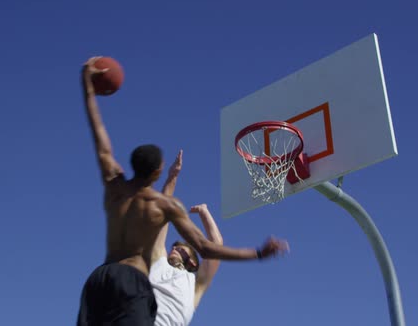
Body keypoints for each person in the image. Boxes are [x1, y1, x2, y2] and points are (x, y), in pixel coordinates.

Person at [76, 57, 290, 326]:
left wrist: (87, 87)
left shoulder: (113, 185)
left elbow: (100, 138)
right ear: (156, 173)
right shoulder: (162, 208)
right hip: (129, 282)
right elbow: (205, 247)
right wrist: (257, 253)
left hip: (99, 281)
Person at [149, 151, 224, 326]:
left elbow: (216, 246)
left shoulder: (196, 284)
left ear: (193, 261)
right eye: (173, 247)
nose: (174, 248)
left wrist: (204, 212)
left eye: (181, 249)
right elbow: (163, 213)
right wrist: (172, 176)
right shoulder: (158, 262)